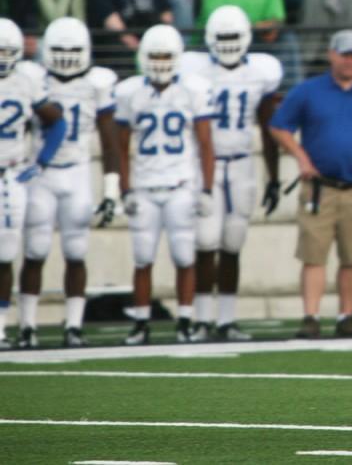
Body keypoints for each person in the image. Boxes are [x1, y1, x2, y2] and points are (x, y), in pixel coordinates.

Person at [270, 29, 352, 339]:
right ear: (332, 54)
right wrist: (300, 157)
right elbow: (279, 126)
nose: (350, 60)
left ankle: (346, 316)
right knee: (314, 255)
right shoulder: (308, 91)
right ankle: (311, 316)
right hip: (320, 187)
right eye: (345, 54)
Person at [179, 5, 283, 341]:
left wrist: (274, 176)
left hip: (241, 163)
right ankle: (201, 320)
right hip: (205, 164)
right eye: (221, 37)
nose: (226, 44)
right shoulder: (194, 71)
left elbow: (268, 127)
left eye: (232, 37)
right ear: (209, 39)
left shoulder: (261, 72)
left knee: (232, 243)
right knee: (205, 241)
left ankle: (225, 320)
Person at [16, 18, 119, 348]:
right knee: (35, 251)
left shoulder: (97, 83)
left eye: (73, 50)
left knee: (76, 251)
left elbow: (109, 140)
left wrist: (112, 189)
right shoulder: (34, 78)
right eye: (59, 50)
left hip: (76, 171)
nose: (65, 57)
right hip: (40, 174)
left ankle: (74, 325)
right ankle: (27, 325)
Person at [114, 24, 215, 345]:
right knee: (143, 257)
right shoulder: (130, 92)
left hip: (180, 183)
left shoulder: (193, 90)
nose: (159, 62)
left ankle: (185, 320)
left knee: (185, 256)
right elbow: (121, 147)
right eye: (154, 55)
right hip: (144, 186)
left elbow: (205, 144)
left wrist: (207, 188)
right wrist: (124, 188)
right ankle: (141, 322)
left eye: (165, 56)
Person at [0, 18, 66, 349]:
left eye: (6, 51)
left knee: (7, 251)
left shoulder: (28, 80)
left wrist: (39, 162)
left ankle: (2, 326)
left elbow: (57, 122)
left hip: (10, 173)